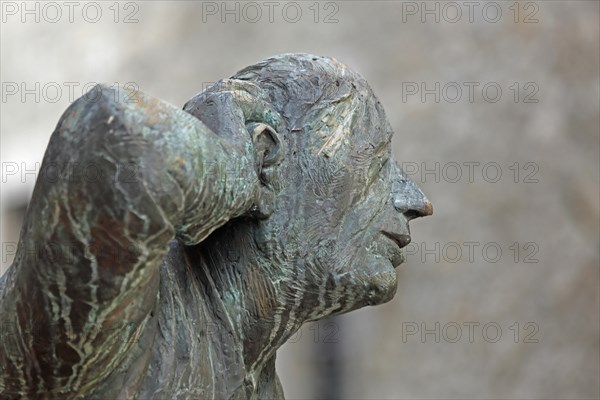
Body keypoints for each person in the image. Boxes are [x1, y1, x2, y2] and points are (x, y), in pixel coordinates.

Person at [0, 53, 432, 399]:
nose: (415, 200)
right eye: (375, 162)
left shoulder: (255, 382)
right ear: (265, 162)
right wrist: (220, 164)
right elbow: (117, 139)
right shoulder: (125, 322)